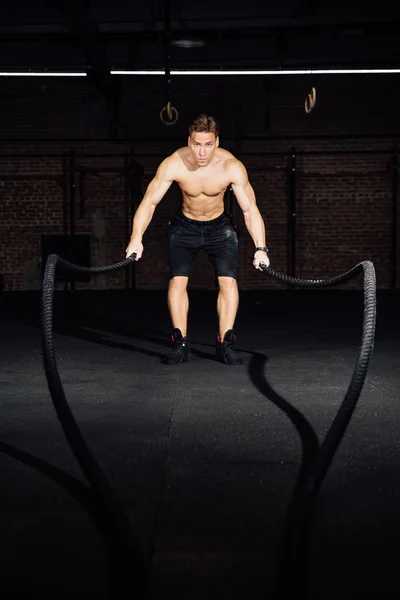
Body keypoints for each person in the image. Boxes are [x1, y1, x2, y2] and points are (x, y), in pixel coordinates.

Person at [125, 114, 270, 365]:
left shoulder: (231, 167)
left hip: (220, 228)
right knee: (177, 281)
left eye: (208, 144)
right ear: (189, 141)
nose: (202, 152)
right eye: (196, 144)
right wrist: (135, 238)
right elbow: (149, 203)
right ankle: (180, 344)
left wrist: (261, 248)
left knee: (229, 283)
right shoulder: (174, 163)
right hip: (184, 227)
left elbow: (249, 209)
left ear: (216, 142)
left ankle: (225, 344)